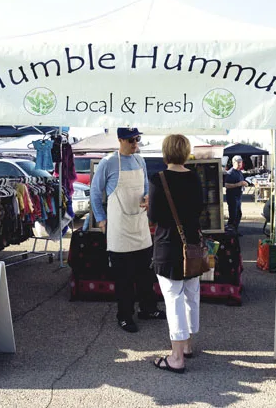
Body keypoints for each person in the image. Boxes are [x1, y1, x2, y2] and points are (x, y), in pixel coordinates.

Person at [90, 127, 165, 333]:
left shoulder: (140, 161)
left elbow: (146, 188)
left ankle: (148, 308)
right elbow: (95, 193)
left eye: (138, 139)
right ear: (120, 140)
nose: (135, 144)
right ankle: (124, 316)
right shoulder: (108, 163)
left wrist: (148, 199)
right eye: (132, 140)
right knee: (124, 277)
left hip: (139, 225)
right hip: (119, 227)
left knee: (145, 273)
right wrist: (101, 219)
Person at [148, 134, 204, 373]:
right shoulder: (194, 178)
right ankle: (188, 345)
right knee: (192, 295)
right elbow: (200, 208)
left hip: (169, 245)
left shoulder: (158, 179)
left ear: (165, 151)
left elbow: (154, 216)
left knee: (173, 300)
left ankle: (177, 357)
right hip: (192, 244)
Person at [224, 155, 247, 235]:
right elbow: (226, 185)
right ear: (234, 163)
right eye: (238, 162)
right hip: (232, 196)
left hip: (238, 196)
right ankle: (230, 232)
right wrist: (239, 184)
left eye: (241, 162)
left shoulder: (239, 172)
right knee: (233, 215)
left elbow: (241, 182)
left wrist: (244, 184)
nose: (240, 164)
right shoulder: (230, 172)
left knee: (238, 214)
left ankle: (234, 231)